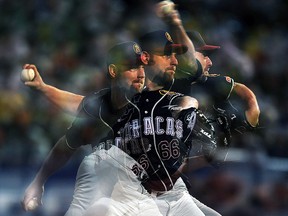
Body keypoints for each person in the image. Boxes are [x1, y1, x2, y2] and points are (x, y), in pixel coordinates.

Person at [21, 41, 167, 216]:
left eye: (142, 66)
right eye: (133, 67)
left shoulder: (151, 106)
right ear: (113, 71)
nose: (141, 74)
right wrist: (39, 182)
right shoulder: (97, 108)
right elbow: (66, 146)